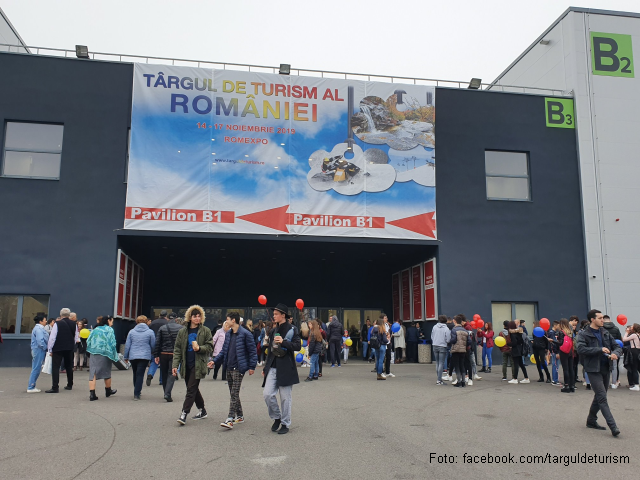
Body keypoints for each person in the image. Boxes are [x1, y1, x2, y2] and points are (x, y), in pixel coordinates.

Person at [576, 309, 622, 436]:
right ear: (592, 319)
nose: (603, 320)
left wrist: (615, 354)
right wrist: (599, 349)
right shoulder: (584, 334)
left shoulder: (605, 332)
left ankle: (591, 420)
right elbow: (580, 349)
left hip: (605, 368)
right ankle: (613, 427)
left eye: (602, 318)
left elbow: (617, 346)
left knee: (599, 396)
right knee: (602, 397)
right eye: (600, 318)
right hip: (592, 369)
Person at [210, 312, 257, 429]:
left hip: (239, 368)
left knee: (234, 394)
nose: (226, 322)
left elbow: (252, 351)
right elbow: (223, 351)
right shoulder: (229, 334)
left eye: (228, 320)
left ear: (233, 321)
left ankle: (230, 419)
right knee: (233, 393)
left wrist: (252, 367)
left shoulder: (246, 334)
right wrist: (214, 361)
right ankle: (239, 415)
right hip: (229, 367)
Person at [262, 303, 301, 434]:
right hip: (273, 367)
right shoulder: (273, 330)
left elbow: (297, 346)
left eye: (276, 314)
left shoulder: (293, 329)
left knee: (285, 398)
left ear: (283, 315)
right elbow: (270, 350)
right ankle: (277, 417)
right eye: (273, 314)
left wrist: (283, 342)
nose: (274, 316)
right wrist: (265, 368)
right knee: (267, 394)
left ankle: (285, 423)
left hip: (286, 367)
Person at [173, 305, 213, 425]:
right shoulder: (183, 331)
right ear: (190, 317)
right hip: (186, 364)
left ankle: (184, 413)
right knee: (193, 389)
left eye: (199, 316)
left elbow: (210, 346)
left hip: (198, 364)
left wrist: (200, 348)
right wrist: (175, 365)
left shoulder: (205, 330)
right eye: (194, 316)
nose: (197, 318)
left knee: (191, 389)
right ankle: (203, 410)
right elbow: (177, 349)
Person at [46, 308, 79, 393]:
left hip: (58, 348)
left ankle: (55, 387)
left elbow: (52, 337)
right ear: (69, 315)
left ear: (61, 315)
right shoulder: (74, 324)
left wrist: (50, 349)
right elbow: (76, 337)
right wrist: (72, 344)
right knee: (69, 366)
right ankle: (70, 384)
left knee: (56, 367)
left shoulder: (57, 324)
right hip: (69, 348)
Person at [86, 315, 118, 401]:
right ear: (108, 321)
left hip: (94, 352)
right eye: (112, 321)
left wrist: (89, 349)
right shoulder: (109, 330)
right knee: (106, 370)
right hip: (105, 352)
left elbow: (88, 340)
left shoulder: (96, 329)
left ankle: (92, 394)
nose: (112, 323)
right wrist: (114, 354)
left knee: (93, 372)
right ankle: (108, 390)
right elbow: (112, 342)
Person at [124, 315, 156, 400]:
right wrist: (153, 352)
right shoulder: (150, 332)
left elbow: (127, 345)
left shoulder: (132, 332)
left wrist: (126, 356)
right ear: (146, 322)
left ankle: (136, 390)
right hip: (144, 356)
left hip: (133, 355)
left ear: (137, 322)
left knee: (135, 373)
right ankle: (137, 393)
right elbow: (153, 344)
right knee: (140, 374)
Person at [153, 312, 183, 402]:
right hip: (174, 354)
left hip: (163, 353)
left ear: (167, 318)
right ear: (176, 319)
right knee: (172, 373)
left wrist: (156, 355)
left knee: (164, 373)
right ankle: (168, 393)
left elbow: (158, 342)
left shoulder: (162, 328)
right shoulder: (181, 328)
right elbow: (183, 343)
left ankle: (165, 392)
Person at [27, 315, 49, 393]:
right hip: (39, 350)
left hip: (37, 349)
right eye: (45, 320)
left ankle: (31, 386)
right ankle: (31, 386)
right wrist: (46, 348)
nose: (46, 321)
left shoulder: (38, 328)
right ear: (40, 321)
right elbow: (40, 341)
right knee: (36, 368)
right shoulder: (39, 329)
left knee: (36, 367)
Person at [147, 310, 168, 386]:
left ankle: (150, 374)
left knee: (154, 361)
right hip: (164, 344)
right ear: (166, 316)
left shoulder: (153, 323)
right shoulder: (166, 323)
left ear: (159, 315)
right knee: (163, 363)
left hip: (154, 344)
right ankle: (162, 380)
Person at [449, 314, 469, 387]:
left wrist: (450, 342)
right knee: (462, 365)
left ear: (455, 321)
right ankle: (463, 382)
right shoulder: (465, 330)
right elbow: (469, 341)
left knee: (457, 366)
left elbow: (453, 340)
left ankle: (459, 381)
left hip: (456, 350)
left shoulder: (454, 330)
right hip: (463, 350)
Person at [603, 315, 622, 389]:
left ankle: (605, 382)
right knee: (614, 366)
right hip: (614, 348)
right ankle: (614, 383)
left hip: (605, 348)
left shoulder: (602, 328)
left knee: (604, 365)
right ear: (609, 320)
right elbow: (619, 338)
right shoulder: (616, 328)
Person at [431, 315, 451, 385]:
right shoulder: (446, 329)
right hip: (442, 346)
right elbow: (448, 339)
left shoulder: (434, 327)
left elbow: (432, 336)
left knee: (437, 362)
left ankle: (438, 378)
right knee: (441, 363)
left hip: (435, 345)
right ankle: (439, 380)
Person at [622, 323, 640, 391]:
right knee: (637, 368)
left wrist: (626, 332)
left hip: (634, 351)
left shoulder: (634, 335)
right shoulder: (638, 335)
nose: (631, 327)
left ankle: (636, 385)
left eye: (632, 326)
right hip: (638, 351)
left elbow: (624, 339)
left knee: (634, 368)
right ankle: (636, 384)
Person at [547, 321, 561, 385]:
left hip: (553, 351)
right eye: (558, 325)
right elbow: (554, 344)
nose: (559, 327)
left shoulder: (553, 332)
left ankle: (555, 379)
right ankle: (555, 380)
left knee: (555, 365)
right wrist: (557, 352)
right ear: (555, 325)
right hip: (554, 351)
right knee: (555, 365)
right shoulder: (552, 333)